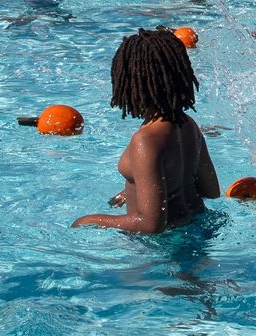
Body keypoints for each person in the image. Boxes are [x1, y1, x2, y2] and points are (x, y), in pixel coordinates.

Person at [72, 28, 220, 233]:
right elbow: (211, 191)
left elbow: (150, 225)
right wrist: (135, 189)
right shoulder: (188, 124)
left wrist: (90, 220)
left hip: (167, 248)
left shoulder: (146, 141)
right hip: (200, 227)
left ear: (131, 82)